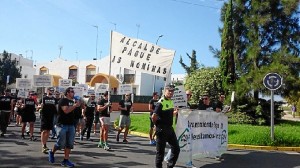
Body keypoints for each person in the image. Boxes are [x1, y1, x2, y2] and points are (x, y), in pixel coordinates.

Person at [48, 87, 81, 167]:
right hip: (62, 125)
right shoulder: (63, 100)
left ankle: (65, 160)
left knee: (69, 144)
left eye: (73, 91)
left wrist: (79, 104)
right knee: (60, 144)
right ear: (67, 93)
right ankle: (52, 152)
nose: (73, 93)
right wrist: (75, 105)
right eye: (72, 91)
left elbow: (79, 109)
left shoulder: (72, 101)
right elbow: (66, 111)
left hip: (71, 125)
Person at [152, 85, 180, 168]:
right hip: (161, 129)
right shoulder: (161, 102)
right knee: (160, 152)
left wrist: (175, 112)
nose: (171, 93)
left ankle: (170, 165)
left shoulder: (171, 101)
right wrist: (155, 125)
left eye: (172, 91)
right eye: (169, 91)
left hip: (169, 129)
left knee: (176, 148)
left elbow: (169, 115)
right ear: (165, 91)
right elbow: (154, 116)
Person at [40, 87, 57, 154]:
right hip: (44, 116)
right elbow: (39, 107)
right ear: (47, 91)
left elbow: (56, 107)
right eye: (50, 90)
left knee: (48, 131)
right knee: (44, 131)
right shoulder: (43, 98)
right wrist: (40, 106)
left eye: (53, 90)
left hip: (51, 116)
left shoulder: (54, 99)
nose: (52, 91)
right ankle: (43, 145)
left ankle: (45, 144)